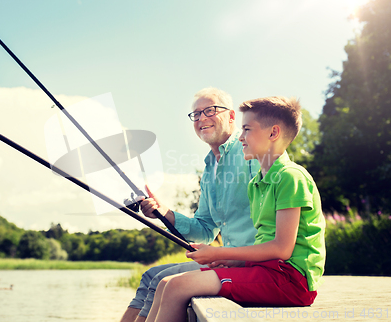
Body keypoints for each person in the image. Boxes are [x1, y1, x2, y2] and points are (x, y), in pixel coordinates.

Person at [144, 96, 326, 322]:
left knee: (177, 286)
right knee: (164, 283)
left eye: (247, 129)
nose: (240, 137)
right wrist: (234, 261)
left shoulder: (290, 177)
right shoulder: (256, 183)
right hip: (266, 271)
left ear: (273, 133)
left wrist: (219, 253)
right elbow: (263, 242)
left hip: (291, 281)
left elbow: (282, 249)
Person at [120, 88, 260, 322]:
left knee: (158, 280)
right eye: (196, 114)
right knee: (149, 276)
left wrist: (232, 257)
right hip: (226, 261)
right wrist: (164, 213)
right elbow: (205, 230)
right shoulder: (209, 169)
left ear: (232, 117)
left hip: (248, 264)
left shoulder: (250, 153)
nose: (202, 118)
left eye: (210, 110)